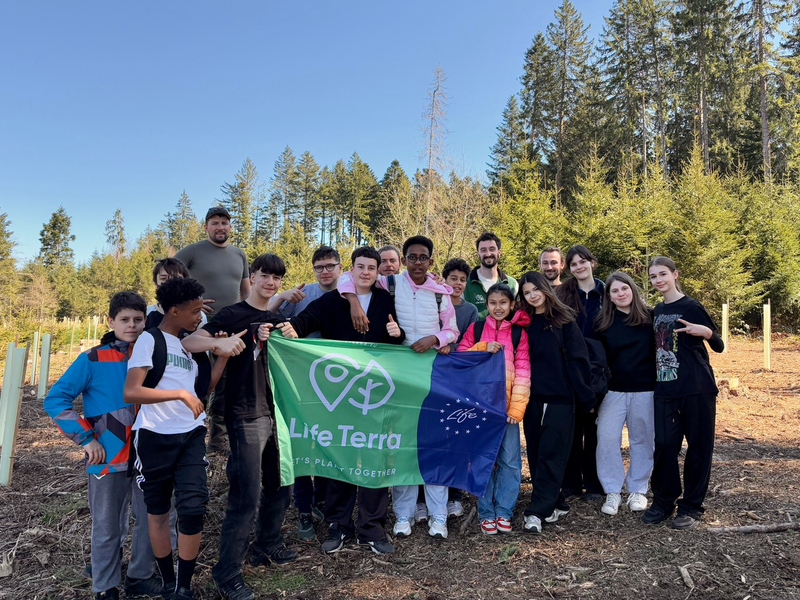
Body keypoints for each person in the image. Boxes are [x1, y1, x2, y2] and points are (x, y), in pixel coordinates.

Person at [182, 254, 299, 600]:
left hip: (279, 413)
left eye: (277, 278)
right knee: (246, 494)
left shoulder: (278, 318)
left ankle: (266, 544)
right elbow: (190, 343)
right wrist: (219, 343)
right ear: (253, 277)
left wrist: (292, 337)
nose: (271, 283)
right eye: (265, 275)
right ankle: (227, 571)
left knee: (282, 485)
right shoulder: (232, 314)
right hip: (245, 414)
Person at [340, 235, 459, 539]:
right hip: (397, 376)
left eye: (423, 258)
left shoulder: (440, 293)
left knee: (434, 446)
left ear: (431, 262)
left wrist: (435, 340)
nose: (417, 263)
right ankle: (403, 514)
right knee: (401, 446)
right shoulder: (389, 284)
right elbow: (347, 278)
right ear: (403, 260)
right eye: (412, 257)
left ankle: (438, 515)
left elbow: (451, 329)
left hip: (432, 374)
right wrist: (353, 300)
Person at [44, 292, 162, 600]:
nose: (132, 326)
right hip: (107, 455)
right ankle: (106, 586)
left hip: (148, 453)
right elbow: (56, 400)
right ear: (110, 321)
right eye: (124, 320)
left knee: (151, 517)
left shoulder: (152, 355)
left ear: (146, 321)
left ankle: (140, 575)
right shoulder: (93, 358)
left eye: (138, 320)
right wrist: (85, 438)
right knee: (108, 525)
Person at [290, 246, 405, 554]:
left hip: (376, 395)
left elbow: (404, 338)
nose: (365, 272)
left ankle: (371, 526)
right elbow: (305, 322)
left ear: (378, 271)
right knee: (339, 458)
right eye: (360, 267)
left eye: (371, 267)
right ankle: (338, 524)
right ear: (350, 270)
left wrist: (397, 333)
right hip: (338, 397)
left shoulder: (387, 301)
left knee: (374, 459)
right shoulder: (331, 301)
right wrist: (288, 328)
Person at [124, 278, 229, 600]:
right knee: (157, 511)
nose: (200, 317)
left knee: (193, 506)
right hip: (154, 436)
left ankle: (184, 585)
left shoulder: (188, 345)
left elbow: (202, 391)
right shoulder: (149, 340)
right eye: (195, 311)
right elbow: (132, 391)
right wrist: (179, 393)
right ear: (173, 310)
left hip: (191, 434)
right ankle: (168, 582)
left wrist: (221, 356)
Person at [266, 246, 342, 541]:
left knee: (329, 439)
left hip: (336, 381)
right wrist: (282, 296)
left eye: (330, 266)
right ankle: (303, 508)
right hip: (300, 379)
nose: (325, 271)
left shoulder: (349, 291)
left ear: (340, 267)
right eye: (319, 267)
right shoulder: (302, 294)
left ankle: (323, 500)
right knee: (301, 440)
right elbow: (267, 314)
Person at [642, 256, 724, 530]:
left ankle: (690, 506)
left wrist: (707, 333)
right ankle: (664, 501)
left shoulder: (692, 306)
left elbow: (719, 345)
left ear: (675, 274)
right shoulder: (656, 311)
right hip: (665, 387)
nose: (658, 280)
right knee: (665, 446)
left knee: (699, 448)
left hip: (697, 388)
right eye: (653, 276)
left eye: (662, 274)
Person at [517, 272, 594, 534]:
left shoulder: (564, 321)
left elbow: (579, 361)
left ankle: (536, 512)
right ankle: (556, 501)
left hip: (561, 400)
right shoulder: (524, 324)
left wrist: (585, 397)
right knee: (538, 454)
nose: (532, 295)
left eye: (535, 290)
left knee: (552, 453)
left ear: (545, 288)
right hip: (533, 400)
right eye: (526, 293)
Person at [174, 206, 251, 452]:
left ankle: (219, 440)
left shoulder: (239, 255)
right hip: (198, 329)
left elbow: (246, 292)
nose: (220, 227)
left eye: (224, 223)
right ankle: (189, 433)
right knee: (197, 379)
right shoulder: (193, 252)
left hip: (230, 330)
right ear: (206, 226)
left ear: (230, 227)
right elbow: (168, 275)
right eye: (215, 223)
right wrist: (191, 302)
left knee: (226, 383)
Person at [457, 283, 530, 534]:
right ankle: (486, 511)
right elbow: (460, 357)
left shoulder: (519, 334)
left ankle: (505, 510)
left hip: (507, 410)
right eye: (493, 303)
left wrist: (517, 409)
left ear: (511, 305)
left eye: (503, 303)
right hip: (480, 407)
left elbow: (523, 372)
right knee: (481, 459)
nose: (498, 307)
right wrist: (482, 347)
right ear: (486, 305)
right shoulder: (476, 329)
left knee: (510, 461)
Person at [593, 272, 656, 516]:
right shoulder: (603, 322)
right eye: (615, 291)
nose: (621, 294)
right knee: (607, 438)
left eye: (624, 289)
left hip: (645, 389)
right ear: (609, 296)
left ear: (632, 289)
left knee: (642, 440)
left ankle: (638, 489)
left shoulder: (650, 317)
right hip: (613, 391)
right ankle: (612, 490)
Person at [556, 245, 605, 501]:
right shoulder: (563, 293)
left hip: (599, 370)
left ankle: (594, 483)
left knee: (596, 428)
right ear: (569, 268)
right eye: (573, 263)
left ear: (591, 262)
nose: (579, 267)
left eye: (583, 261)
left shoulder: (606, 292)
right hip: (570, 369)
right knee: (572, 428)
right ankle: (572, 482)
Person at [441, 257, 479, 517]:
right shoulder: (434, 301)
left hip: (458, 377)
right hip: (432, 373)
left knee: (455, 433)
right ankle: (424, 495)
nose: (457, 283)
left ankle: (454, 494)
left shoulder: (470, 311)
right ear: (445, 280)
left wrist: (451, 349)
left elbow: (468, 341)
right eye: (453, 278)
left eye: (462, 280)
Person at [464, 232, 518, 318]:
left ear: (499, 252)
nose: (488, 254)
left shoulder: (512, 284)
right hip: (473, 331)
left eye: (492, 249)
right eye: (483, 250)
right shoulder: (465, 282)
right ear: (478, 254)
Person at [145, 257, 207, 330]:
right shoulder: (145, 314)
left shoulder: (199, 317)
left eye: (176, 278)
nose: (170, 282)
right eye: (163, 278)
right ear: (155, 284)